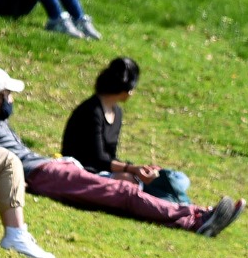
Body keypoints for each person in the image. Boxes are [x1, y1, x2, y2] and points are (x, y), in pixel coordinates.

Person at [0, 66, 246, 236]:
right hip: (44, 174)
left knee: (123, 194)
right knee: (123, 193)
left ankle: (194, 220)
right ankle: (198, 217)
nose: (11, 99)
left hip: (53, 168)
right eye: (8, 94)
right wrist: (9, 179)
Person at [61, 58, 190, 205]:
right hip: (83, 172)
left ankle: (175, 201)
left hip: (105, 169)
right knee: (133, 181)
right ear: (125, 90)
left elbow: (110, 157)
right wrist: (132, 169)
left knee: (178, 177)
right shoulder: (91, 111)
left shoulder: (117, 112)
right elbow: (98, 159)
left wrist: (140, 168)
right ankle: (179, 206)